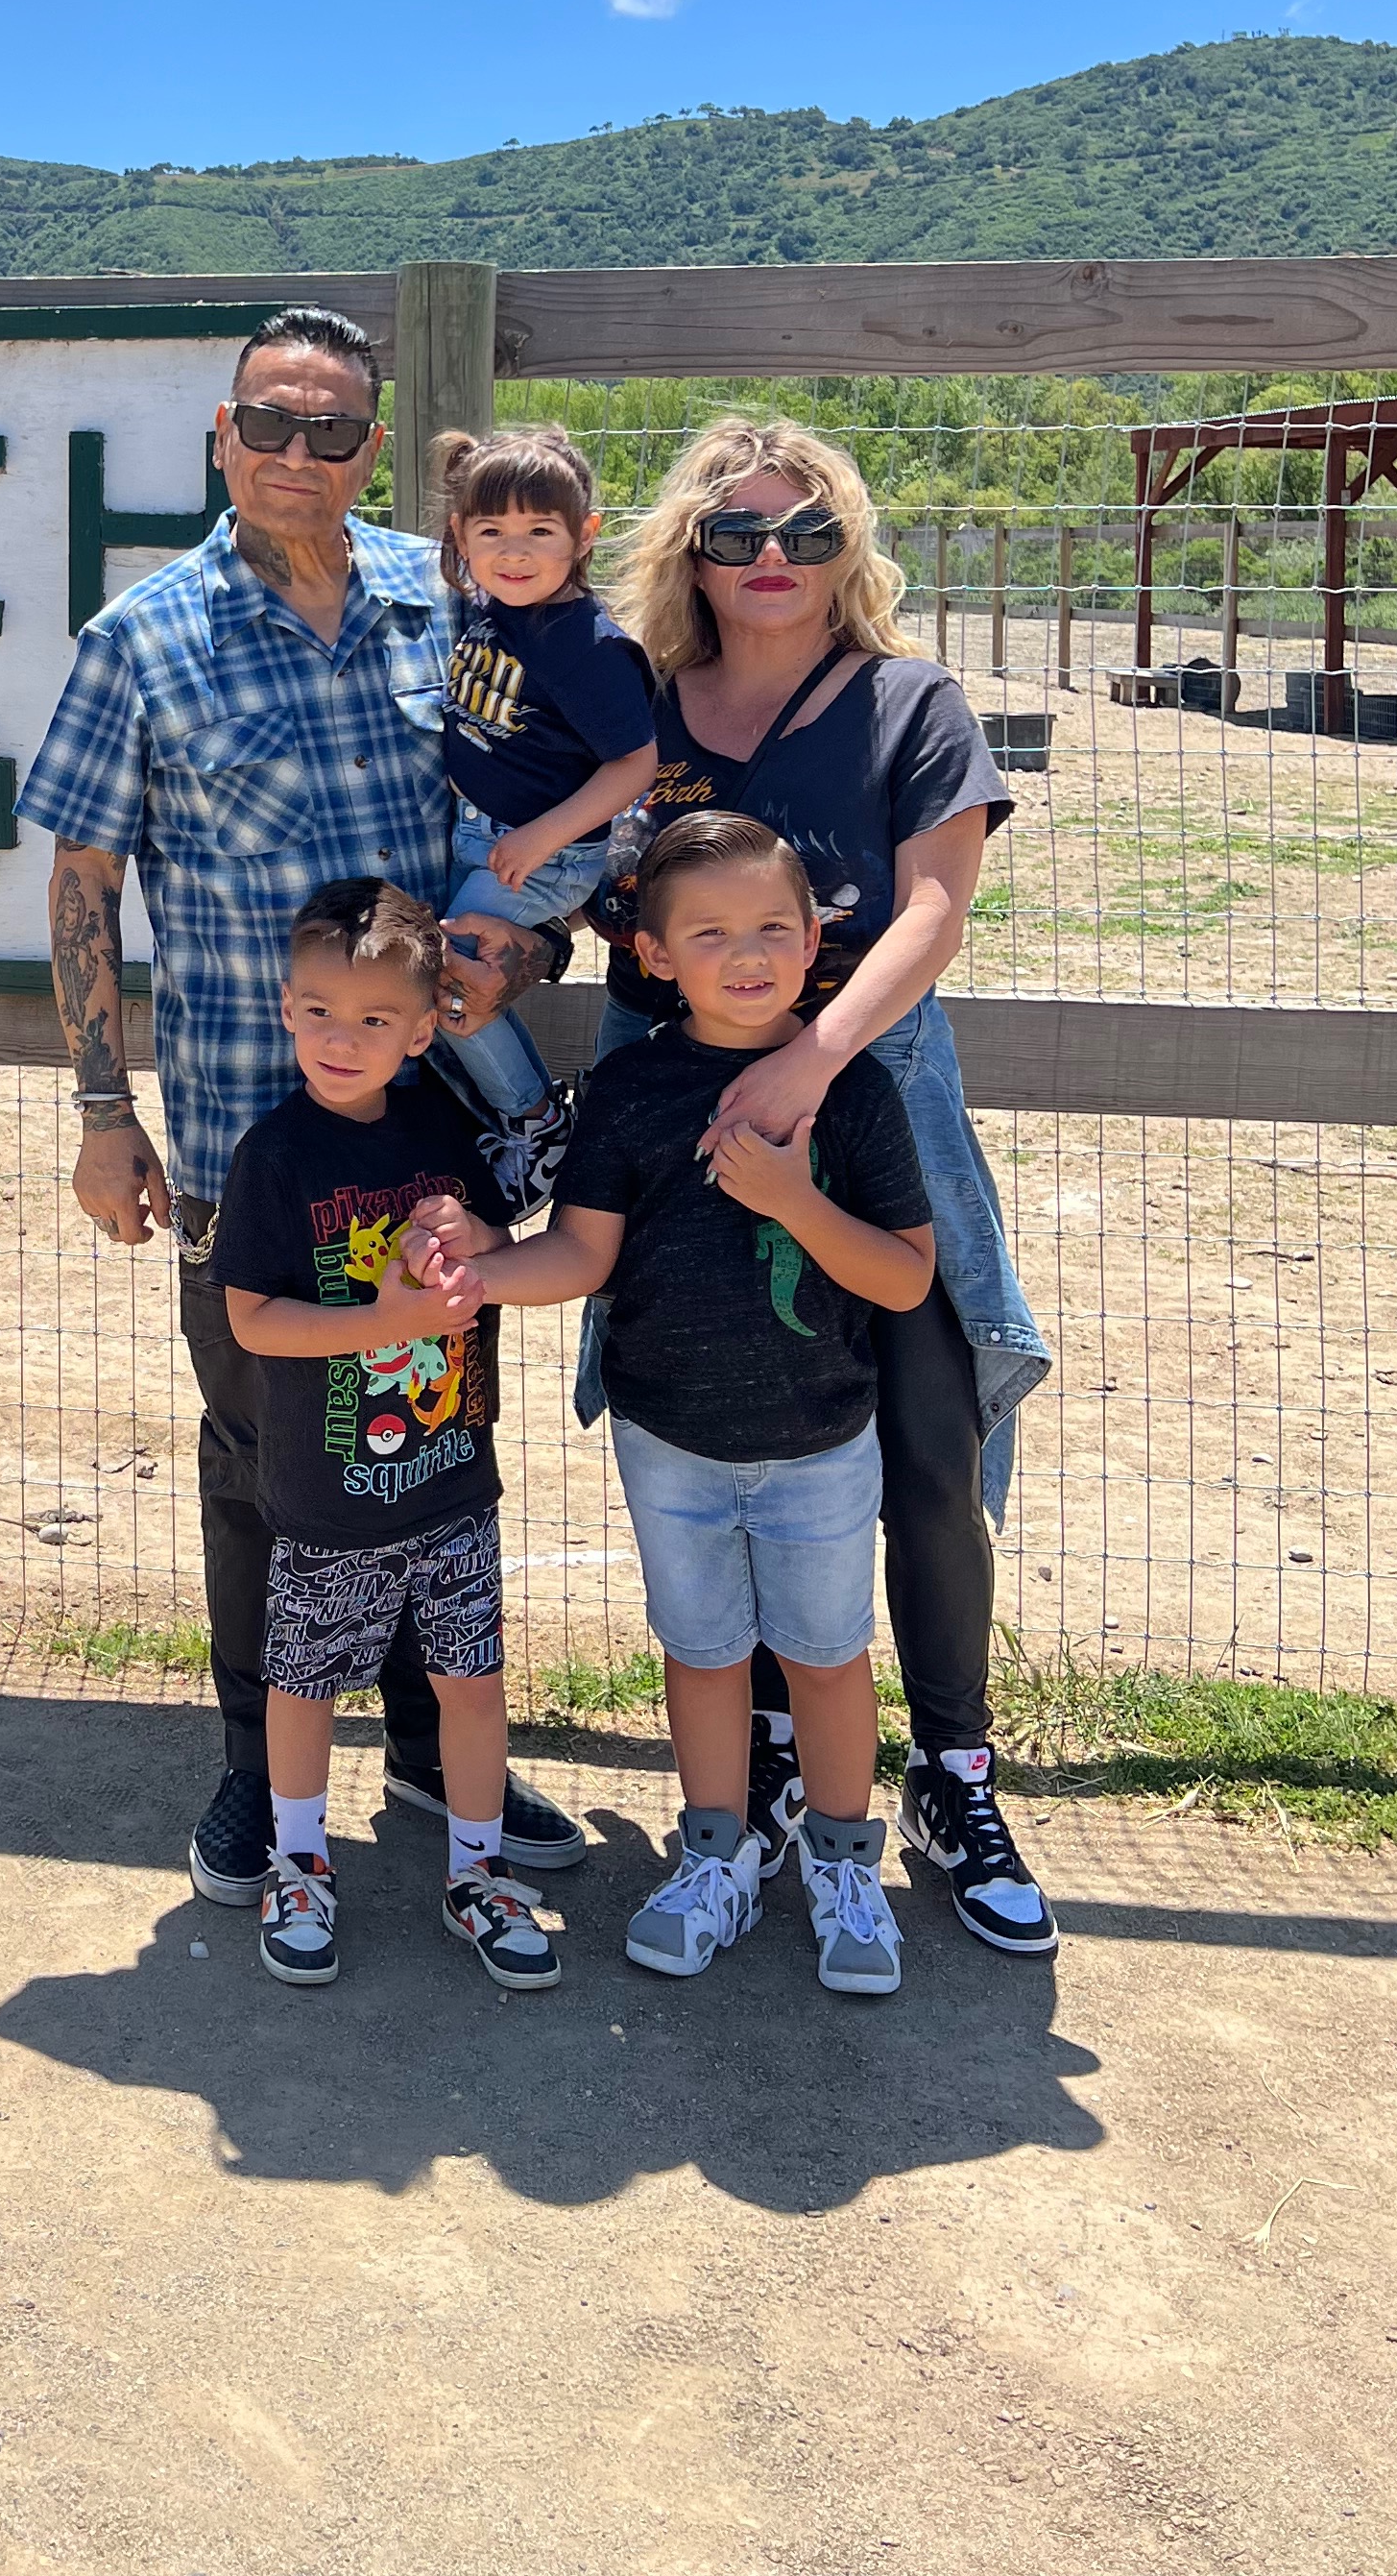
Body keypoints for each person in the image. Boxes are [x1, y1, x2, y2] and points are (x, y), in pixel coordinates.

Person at [19, 304, 584, 1911]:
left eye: (330, 428)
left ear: (369, 448)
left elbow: (535, 814)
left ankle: (425, 1747)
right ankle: (251, 1771)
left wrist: (529, 944)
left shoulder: (449, 604)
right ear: (223, 434)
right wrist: (99, 1109)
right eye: (268, 421)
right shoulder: (140, 638)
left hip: (429, 1138)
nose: (295, 451)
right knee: (260, 1455)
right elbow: (81, 881)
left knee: (428, 1435)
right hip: (240, 1136)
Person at [590, 414, 1058, 1956]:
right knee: (723, 1421)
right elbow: (567, 882)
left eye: (808, 531)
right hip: (675, 1118)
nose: (773, 558)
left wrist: (811, 1058)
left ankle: (954, 1772)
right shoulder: (639, 708)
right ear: (691, 553)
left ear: (849, 549)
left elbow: (933, 909)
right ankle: (771, 1763)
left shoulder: (908, 703)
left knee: (923, 1441)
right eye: (737, 532)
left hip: (866, 1101)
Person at [414, 814, 932, 1997]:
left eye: (772, 928)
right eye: (709, 933)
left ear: (815, 940)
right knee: (702, 1657)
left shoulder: (848, 1094)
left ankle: (845, 1869)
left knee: (828, 1660)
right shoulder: (631, 1087)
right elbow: (583, 1253)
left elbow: (905, 1277)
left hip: (820, 1441)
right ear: (651, 954)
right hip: (668, 1442)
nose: (746, 955)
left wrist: (793, 1200)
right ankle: (714, 1858)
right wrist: (484, 1274)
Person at [213, 878, 563, 1995]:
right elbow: (252, 1318)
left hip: (453, 1482)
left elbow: (506, 1227)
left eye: (373, 1019)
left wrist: (482, 1231)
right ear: (286, 1009)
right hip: (328, 1500)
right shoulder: (273, 1155)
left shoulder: (443, 1130)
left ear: (421, 1033)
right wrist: (387, 1322)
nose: (341, 1038)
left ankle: (478, 1875)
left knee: (473, 1684)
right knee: (304, 1685)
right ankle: (299, 1865)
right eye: (319, 1011)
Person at [432, 422, 658, 1115]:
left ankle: (532, 1119)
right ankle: (513, 1116)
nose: (515, 552)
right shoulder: (492, 609)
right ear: (460, 534)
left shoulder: (588, 648)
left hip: (542, 853)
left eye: (539, 531)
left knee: (451, 980)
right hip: (484, 835)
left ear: (583, 535)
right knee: (455, 979)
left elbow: (635, 764)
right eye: (492, 531)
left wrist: (542, 837)